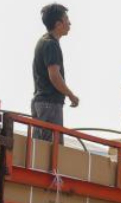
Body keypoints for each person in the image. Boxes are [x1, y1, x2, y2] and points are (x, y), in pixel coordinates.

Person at [32, 3, 79, 142]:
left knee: (41, 149)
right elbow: (54, 75)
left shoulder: (44, 41)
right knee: (50, 153)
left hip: (43, 104)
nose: (69, 23)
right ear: (59, 24)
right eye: (66, 19)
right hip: (49, 104)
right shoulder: (50, 44)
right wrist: (71, 95)